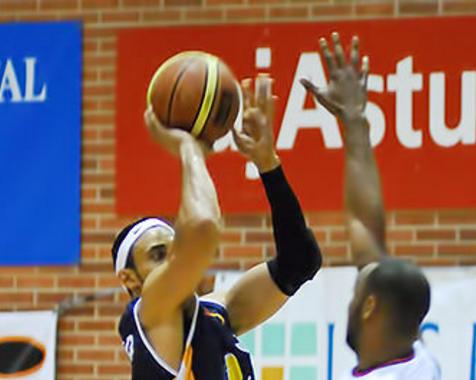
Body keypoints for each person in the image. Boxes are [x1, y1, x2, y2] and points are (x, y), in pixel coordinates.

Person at [113, 74, 322, 379]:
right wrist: (190, 148)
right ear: (130, 280)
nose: (177, 258)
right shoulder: (150, 314)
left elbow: (300, 262)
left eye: (176, 248)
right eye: (159, 255)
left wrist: (268, 164)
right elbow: (203, 226)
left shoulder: (212, 313)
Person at [301, 32, 441, 379]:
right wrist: (353, 123)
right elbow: (366, 234)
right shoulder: (420, 361)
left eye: (355, 294)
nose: (349, 303)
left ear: (370, 306)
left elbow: (369, 244)